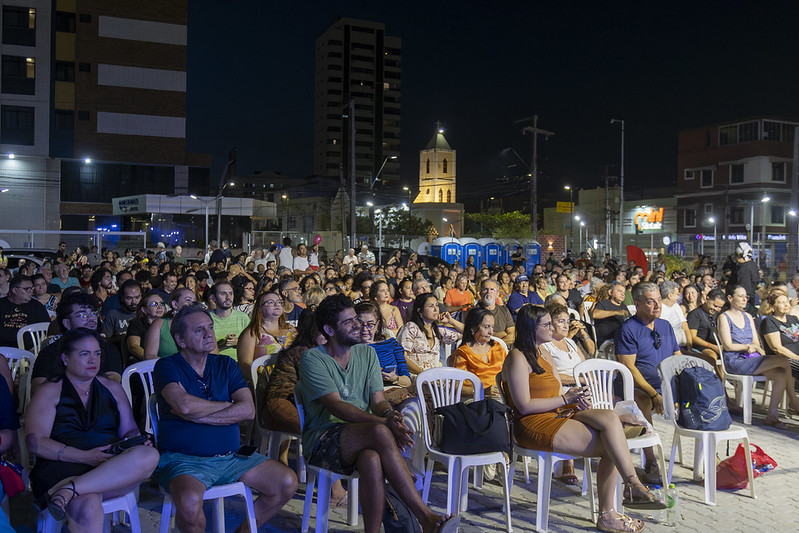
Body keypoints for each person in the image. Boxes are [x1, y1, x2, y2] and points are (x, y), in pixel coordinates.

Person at [297, 294, 458, 533]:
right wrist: (384, 422)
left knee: (372, 459)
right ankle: (425, 516)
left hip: (364, 436)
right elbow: (336, 406)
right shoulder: (313, 359)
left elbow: (378, 400)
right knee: (380, 431)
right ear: (329, 330)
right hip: (322, 440)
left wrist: (389, 415)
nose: (357, 325)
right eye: (348, 322)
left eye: (356, 319)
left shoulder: (367, 354)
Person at [503, 305, 664, 533]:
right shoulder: (517, 357)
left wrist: (575, 400)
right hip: (534, 423)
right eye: (547, 324)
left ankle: (632, 485)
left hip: (559, 412)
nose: (553, 328)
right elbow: (524, 405)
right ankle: (611, 510)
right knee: (612, 445)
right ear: (531, 328)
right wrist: (564, 398)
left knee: (610, 419)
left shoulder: (545, 352)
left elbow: (557, 393)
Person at [152, 304, 297, 532]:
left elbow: (248, 410)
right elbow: (183, 405)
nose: (209, 333)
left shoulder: (226, 364)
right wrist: (228, 407)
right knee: (189, 505)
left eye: (210, 327)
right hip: (184, 460)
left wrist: (198, 414)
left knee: (286, 482)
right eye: (199, 330)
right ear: (180, 339)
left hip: (232, 457)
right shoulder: (166, 366)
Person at [26, 328, 159, 528]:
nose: (93, 360)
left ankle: (66, 491)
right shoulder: (50, 391)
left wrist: (133, 440)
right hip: (62, 466)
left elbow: (129, 430)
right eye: (84, 354)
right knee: (87, 504)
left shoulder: (112, 387)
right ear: (65, 358)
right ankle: (68, 489)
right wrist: (84, 456)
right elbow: (35, 443)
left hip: (109, 466)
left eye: (97, 353)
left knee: (149, 455)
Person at [615, 282, 681, 483]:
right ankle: (650, 461)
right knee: (642, 400)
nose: (657, 305)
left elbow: (677, 356)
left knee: (698, 393)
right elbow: (629, 368)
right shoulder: (628, 328)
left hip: (665, 385)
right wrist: (654, 393)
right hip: (634, 387)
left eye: (659, 301)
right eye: (650, 302)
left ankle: (708, 457)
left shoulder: (665, 326)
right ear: (637, 304)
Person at [718, 285, 799, 429]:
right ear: (730, 298)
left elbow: (756, 342)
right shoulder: (724, 317)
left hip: (752, 358)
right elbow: (728, 346)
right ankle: (793, 401)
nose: (744, 299)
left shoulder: (748, 316)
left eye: (746, 297)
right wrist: (746, 347)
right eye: (740, 296)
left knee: (780, 373)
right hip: (735, 361)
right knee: (783, 360)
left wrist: (757, 350)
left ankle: (771, 416)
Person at [355, 301, 413, 405]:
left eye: (370, 324)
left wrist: (395, 378)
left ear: (377, 325)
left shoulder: (391, 344)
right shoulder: (350, 348)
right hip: (366, 395)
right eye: (360, 323)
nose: (364, 329)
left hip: (393, 390)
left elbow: (407, 380)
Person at [237, 290, 296, 387]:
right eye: (270, 302)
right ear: (260, 308)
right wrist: (262, 381)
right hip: (266, 383)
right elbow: (244, 365)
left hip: (293, 380)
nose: (277, 304)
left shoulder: (290, 329)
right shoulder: (252, 333)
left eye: (279, 302)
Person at [396, 293, 462, 375]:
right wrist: (424, 375)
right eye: (431, 306)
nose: (436, 309)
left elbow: (470, 333)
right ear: (419, 310)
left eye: (437, 305)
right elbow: (402, 357)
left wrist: (451, 321)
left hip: (432, 377)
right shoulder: (411, 327)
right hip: (413, 375)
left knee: (459, 385)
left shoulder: (437, 331)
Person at [450, 307, 507, 399]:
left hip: (502, 397)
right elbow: (456, 387)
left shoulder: (498, 347)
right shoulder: (463, 353)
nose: (491, 332)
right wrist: (483, 391)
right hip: (476, 400)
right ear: (473, 328)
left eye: (492, 327)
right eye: (486, 327)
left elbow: (509, 375)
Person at [144, 287, 198, 359]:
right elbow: (149, 356)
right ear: (175, 304)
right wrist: (173, 365)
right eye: (188, 300)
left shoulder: (200, 325)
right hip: (167, 368)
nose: (192, 304)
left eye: (194, 301)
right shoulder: (159, 324)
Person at [0, 275, 51, 347]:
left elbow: (47, 328)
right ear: (15, 290)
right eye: (27, 289)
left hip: (31, 350)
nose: (31, 292)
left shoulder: (37, 306)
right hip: (3, 349)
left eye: (32, 288)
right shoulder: (2, 305)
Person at [760, 290, 799, 379]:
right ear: (773, 307)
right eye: (781, 303)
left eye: (787, 302)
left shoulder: (793, 319)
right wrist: (797, 358)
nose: (786, 305)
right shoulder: (769, 321)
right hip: (782, 359)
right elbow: (777, 348)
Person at [208, 280, 249, 361]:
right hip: (215, 364)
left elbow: (253, 343)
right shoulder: (207, 318)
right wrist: (222, 345)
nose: (228, 297)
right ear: (213, 297)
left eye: (230, 293)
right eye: (223, 294)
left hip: (239, 364)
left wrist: (238, 342)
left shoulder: (242, 317)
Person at [466, 278, 515, 344]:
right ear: (480, 293)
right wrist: (502, 334)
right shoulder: (475, 312)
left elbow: (512, 336)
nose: (489, 292)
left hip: (503, 350)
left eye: (492, 289)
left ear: (497, 294)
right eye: (485, 289)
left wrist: (495, 344)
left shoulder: (504, 310)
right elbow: (477, 335)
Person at [126, 292, 166, 362]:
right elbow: (134, 347)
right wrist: (154, 361)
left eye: (161, 304)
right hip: (144, 364)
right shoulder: (136, 324)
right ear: (144, 310)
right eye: (154, 304)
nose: (159, 307)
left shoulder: (168, 323)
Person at [658, 281, 691, 352]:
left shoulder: (676, 306)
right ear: (670, 295)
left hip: (683, 346)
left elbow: (685, 327)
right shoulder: (658, 309)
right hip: (669, 348)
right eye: (677, 294)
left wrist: (689, 348)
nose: (678, 297)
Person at [730, 242, 759, 315]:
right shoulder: (753, 265)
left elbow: (744, 288)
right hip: (750, 300)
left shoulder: (744, 269)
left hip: (744, 305)